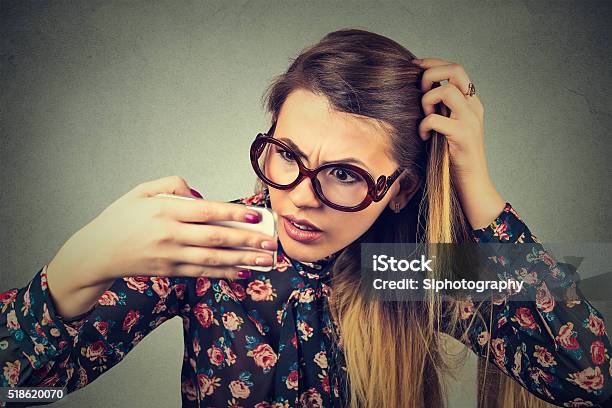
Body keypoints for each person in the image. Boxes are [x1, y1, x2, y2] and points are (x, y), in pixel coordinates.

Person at [1, 28, 610, 408]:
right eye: (288, 156)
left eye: (345, 174)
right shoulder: (215, 248)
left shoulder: (409, 272)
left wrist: (476, 186)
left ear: (400, 191)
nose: (300, 197)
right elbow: (24, 388)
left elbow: (589, 379)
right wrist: (78, 266)